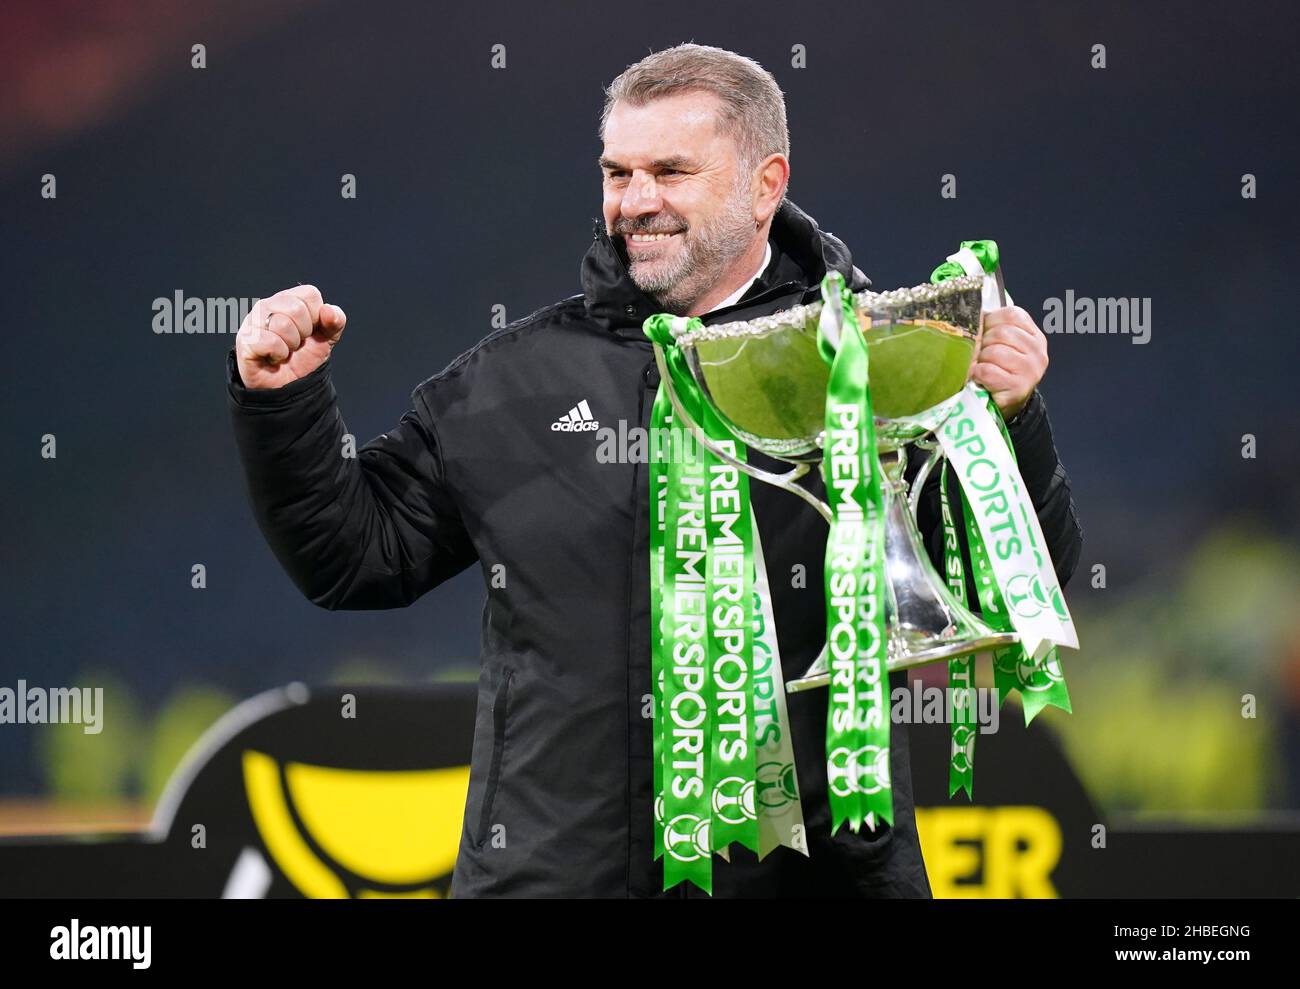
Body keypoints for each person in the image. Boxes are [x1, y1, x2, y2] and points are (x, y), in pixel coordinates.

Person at [226, 43, 1082, 898]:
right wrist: (285, 406)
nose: (635, 203)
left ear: (764, 183)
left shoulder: (879, 360)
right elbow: (355, 557)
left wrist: (1013, 422)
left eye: (669, 171)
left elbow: (1021, 579)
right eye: (617, 172)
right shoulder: (511, 381)